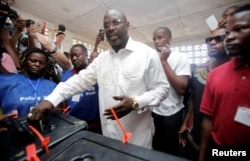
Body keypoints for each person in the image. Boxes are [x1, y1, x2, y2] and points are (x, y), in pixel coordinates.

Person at [28, 9, 170, 149]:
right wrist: (51, 100)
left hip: (137, 140)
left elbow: (162, 90)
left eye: (116, 22)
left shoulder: (147, 54)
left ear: (127, 25)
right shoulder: (101, 60)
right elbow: (78, 81)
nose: (111, 28)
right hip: (108, 137)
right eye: (106, 25)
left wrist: (135, 102)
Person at [199, 3, 250, 161]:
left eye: (239, 29)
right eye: (227, 33)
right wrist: (202, 155)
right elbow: (208, 118)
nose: (230, 37)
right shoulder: (215, 74)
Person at [178, 26, 230, 160]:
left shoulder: (238, 73)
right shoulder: (199, 70)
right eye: (209, 40)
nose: (212, 43)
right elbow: (193, 99)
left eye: (218, 39)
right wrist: (185, 123)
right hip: (195, 133)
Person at [151, 27, 191, 155]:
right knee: (155, 146)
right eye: (154, 39)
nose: (156, 41)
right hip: (153, 111)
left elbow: (181, 89)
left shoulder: (181, 57)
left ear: (170, 39)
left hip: (172, 114)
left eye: (160, 37)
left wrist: (163, 61)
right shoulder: (152, 58)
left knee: (170, 150)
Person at [0, 48, 57, 117]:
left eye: (42, 63)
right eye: (33, 61)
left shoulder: (52, 86)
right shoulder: (5, 80)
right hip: (13, 126)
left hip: (46, 126)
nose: (37, 64)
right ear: (24, 61)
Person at [62, 44, 100, 133]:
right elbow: (63, 98)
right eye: (71, 56)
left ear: (86, 55)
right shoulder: (66, 75)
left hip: (95, 124)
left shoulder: (96, 73)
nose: (74, 58)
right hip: (73, 124)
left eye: (77, 55)